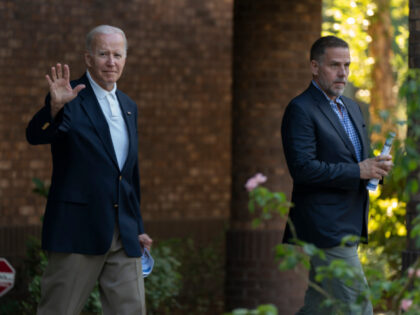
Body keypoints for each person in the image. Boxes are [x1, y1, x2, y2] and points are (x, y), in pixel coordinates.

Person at [26, 25, 152, 315]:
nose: (111, 61)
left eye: (118, 54)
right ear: (88, 58)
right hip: (77, 228)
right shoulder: (69, 98)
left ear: (125, 59)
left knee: (131, 311)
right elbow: (35, 135)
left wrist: (139, 227)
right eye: (103, 54)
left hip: (124, 232)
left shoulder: (128, 105)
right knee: (59, 310)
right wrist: (54, 110)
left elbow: (129, 174)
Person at [281, 36, 393, 314]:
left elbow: (357, 161)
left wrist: (375, 168)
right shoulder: (301, 109)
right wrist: (358, 170)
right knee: (358, 307)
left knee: (317, 308)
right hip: (325, 227)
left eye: (347, 65)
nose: (343, 73)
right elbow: (303, 168)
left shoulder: (353, 107)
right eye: (335, 65)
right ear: (315, 66)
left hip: (351, 221)